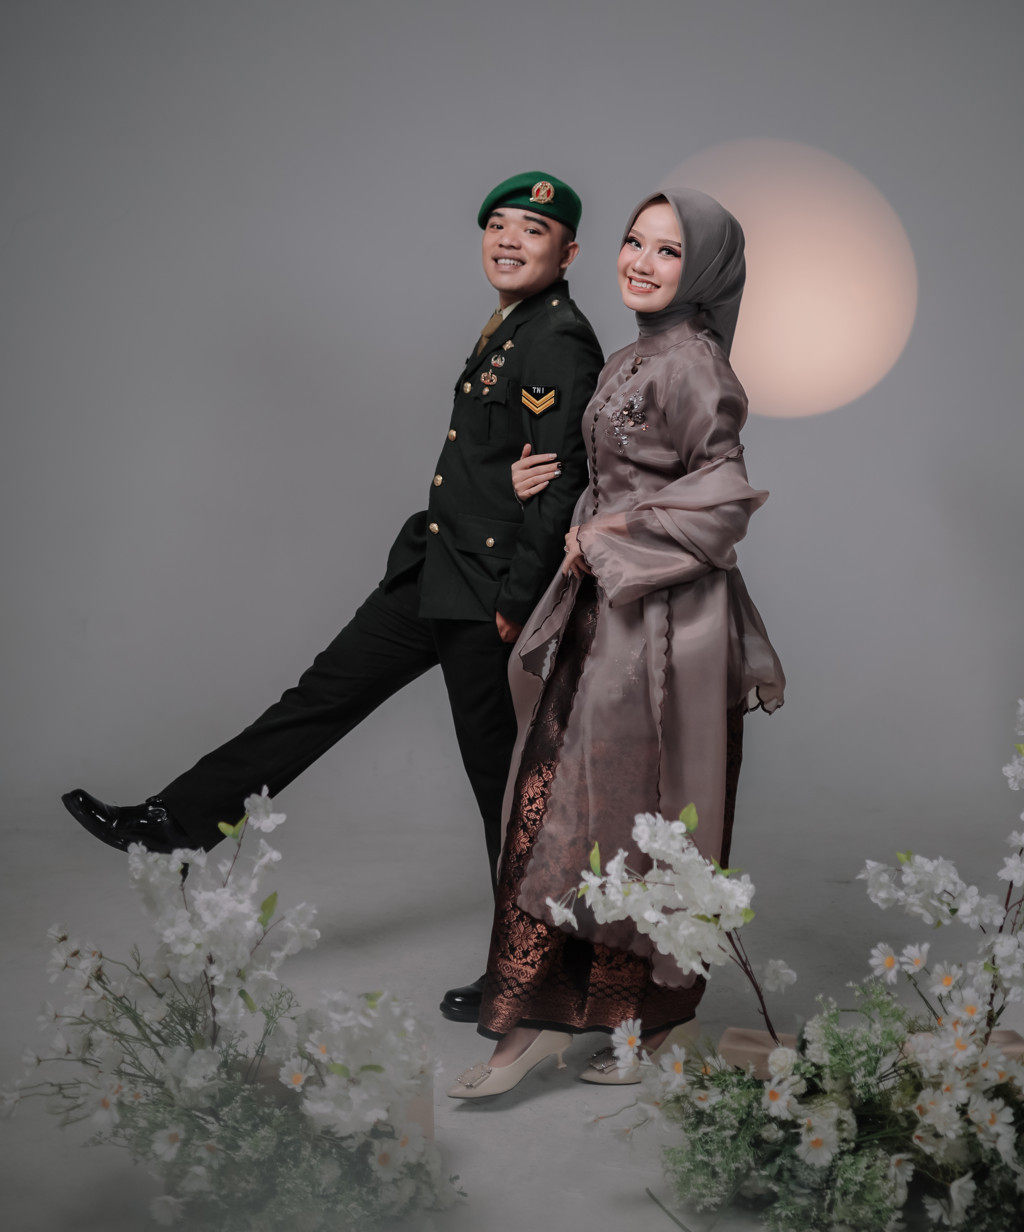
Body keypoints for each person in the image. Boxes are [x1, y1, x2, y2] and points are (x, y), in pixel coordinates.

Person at [61, 172, 605, 1021]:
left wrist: (518, 597)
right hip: (435, 568)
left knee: (502, 785)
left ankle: (539, 968)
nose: (507, 240)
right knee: (317, 700)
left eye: (531, 230)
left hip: (487, 591)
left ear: (567, 253)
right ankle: (175, 826)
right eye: (497, 224)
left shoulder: (558, 338)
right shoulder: (512, 325)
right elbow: (506, 461)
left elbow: (563, 476)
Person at [446, 188, 785, 1098]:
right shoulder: (635, 354)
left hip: (664, 628)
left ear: (703, 270)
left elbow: (721, 503)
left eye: (668, 251)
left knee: (629, 821)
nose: (640, 261)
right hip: (605, 614)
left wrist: (607, 532)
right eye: (635, 242)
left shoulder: (697, 365)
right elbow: (606, 468)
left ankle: (637, 1020)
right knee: (570, 811)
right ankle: (557, 1020)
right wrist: (544, 490)